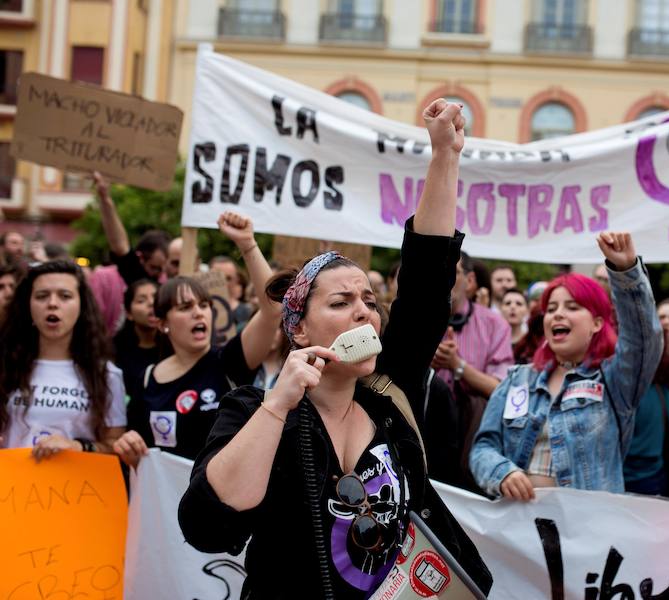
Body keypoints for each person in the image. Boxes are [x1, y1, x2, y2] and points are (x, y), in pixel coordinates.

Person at [177, 98, 492, 599]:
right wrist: (279, 404)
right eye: (341, 302)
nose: (364, 312)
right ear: (299, 330)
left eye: (369, 300)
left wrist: (444, 155)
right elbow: (209, 528)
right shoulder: (255, 409)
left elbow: (428, 275)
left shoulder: (389, 392)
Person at [469, 234, 662, 500]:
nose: (558, 314)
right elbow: (483, 447)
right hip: (516, 529)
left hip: (586, 531)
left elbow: (643, 339)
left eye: (572, 307)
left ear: (596, 323)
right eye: (551, 309)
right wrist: (502, 473)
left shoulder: (614, 380)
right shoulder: (517, 380)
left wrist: (625, 271)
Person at [112, 212, 281, 465]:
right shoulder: (148, 380)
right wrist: (127, 447)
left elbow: (273, 308)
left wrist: (248, 245)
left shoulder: (228, 361)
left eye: (203, 305)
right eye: (184, 307)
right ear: (162, 323)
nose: (198, 312)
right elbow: (136, 446)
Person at [0, 260, 126, 457]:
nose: (52, 303)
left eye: (65, 296)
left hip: (77, 485)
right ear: (28, 305)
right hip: (12, 485)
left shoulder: (105, 374)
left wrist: (78, 446)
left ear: (81, 306)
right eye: (42, 296)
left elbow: (115, 445)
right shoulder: (6, 366)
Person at [432, 250, 514, 490]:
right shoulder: (415, 321)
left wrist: (457, 366)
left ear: (469, 281)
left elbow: (500, 389)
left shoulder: (494, 324)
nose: (444, 278)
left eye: (453, 273)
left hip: (471, 441)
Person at [624, 299, 669, 496]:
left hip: (648, 478)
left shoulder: (663, 388)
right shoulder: (623, 385)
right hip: (635, 477)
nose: (666, 322)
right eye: (661, 317)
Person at [93, 171, 170, 285]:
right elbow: (120, 245)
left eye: (174, 264)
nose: (162, 274)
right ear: (140, 259)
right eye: (155, 268)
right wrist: (105, 199)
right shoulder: (139, 278)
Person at [113, 279, 163, 403]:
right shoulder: (113, 351)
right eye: (141, 300)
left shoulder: (177, 347)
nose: (151, 303)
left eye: (155, 297)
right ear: (129, 313)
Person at [210, 256, 253, 330]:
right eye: (218, 277)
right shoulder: (200, 311)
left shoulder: (247, 312)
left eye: (228, 278)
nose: (224, 283)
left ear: (236, 280)